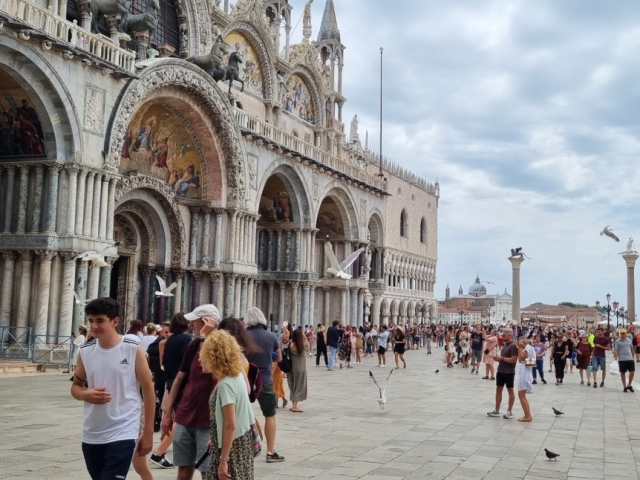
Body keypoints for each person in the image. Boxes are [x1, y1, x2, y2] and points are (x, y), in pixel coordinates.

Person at [71, 298, 155, 480]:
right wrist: (86, 394)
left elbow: (148, 391)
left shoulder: (132, 349)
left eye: (100, 320)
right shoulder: (85, 352)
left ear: (115, 322)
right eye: (91, 320)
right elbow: (75, 387)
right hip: (92, 432)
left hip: (124, 429)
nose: (94, 326)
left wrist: (148, 432)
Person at [162, 305, 220, 479]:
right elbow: (179, 378)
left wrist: (204, 338)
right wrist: (167, 411)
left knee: (207, 471)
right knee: (183, 468)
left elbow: (208, 368)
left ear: (205, 321)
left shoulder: (221, 345)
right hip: (186, 414)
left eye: (194, 321)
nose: (190, 324)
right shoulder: (192, 344)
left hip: (208, 418)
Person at [200, 330, 256, 480]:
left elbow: (230, 424)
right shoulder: (236, 375)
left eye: (204, 355)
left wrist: (224, 460)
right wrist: (216, 437)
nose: (201, 360)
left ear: (215, 357)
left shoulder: (225, 384)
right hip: (239, 442)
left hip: (232, 447)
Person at [244, 307, 285, 463]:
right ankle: (270, 451)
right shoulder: (271, 336)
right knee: (269, 415)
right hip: (265, 380)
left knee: (240, 413)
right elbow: (278, 358)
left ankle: (244, 448)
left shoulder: (243, 336)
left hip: (246, 380)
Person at [487, 330, 518, 419]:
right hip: (501, 370)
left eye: (504, 334)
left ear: (510, 335)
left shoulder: (513, 346)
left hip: (509, 371)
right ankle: (496, 410)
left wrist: (502, 358)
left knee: (510, 390)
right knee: (498, 390)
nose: (502, 336)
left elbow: (514, 359)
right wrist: (498, 358)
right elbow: (503, 358)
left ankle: (509, 411)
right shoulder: (505, 345)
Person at [287, 328, 309, 412]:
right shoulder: (301, 344)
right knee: (299, 386)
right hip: (300, 367)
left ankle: (293, 405)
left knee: (293, 386)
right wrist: (304, 337)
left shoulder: (290, 344)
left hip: (291, 367)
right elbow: (308, 348)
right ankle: (295, 406)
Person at [516, 337, 535, 422]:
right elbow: (521, 360)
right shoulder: (530, 348)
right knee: (521, 394)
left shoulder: (528, 347)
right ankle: (527, 415)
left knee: (521, 394)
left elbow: (522, 358)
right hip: (526, 371)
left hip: (525, 373)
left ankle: (528, 416)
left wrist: (520, 348)